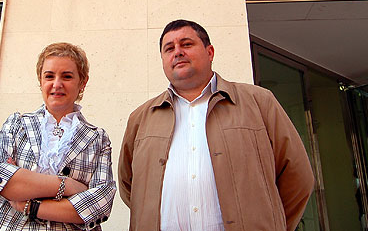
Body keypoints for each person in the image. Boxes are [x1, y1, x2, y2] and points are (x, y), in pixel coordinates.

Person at [119, 20, 314, 231]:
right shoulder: (140, 118)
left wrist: (273, 223)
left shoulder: (259, 102)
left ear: (209, 52)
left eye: (186, 44)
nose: (177, 52)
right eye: (169, 48)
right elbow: (129, 186)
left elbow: (298, 177)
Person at [0, 42, 116, 231]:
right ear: (40, 81)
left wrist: (30, 205)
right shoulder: (17, 123)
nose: (57, 84)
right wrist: (67, 186)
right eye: (49, 76)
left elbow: (100, 203)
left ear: (82, 82)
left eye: (67, 76)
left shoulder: (97, 138)